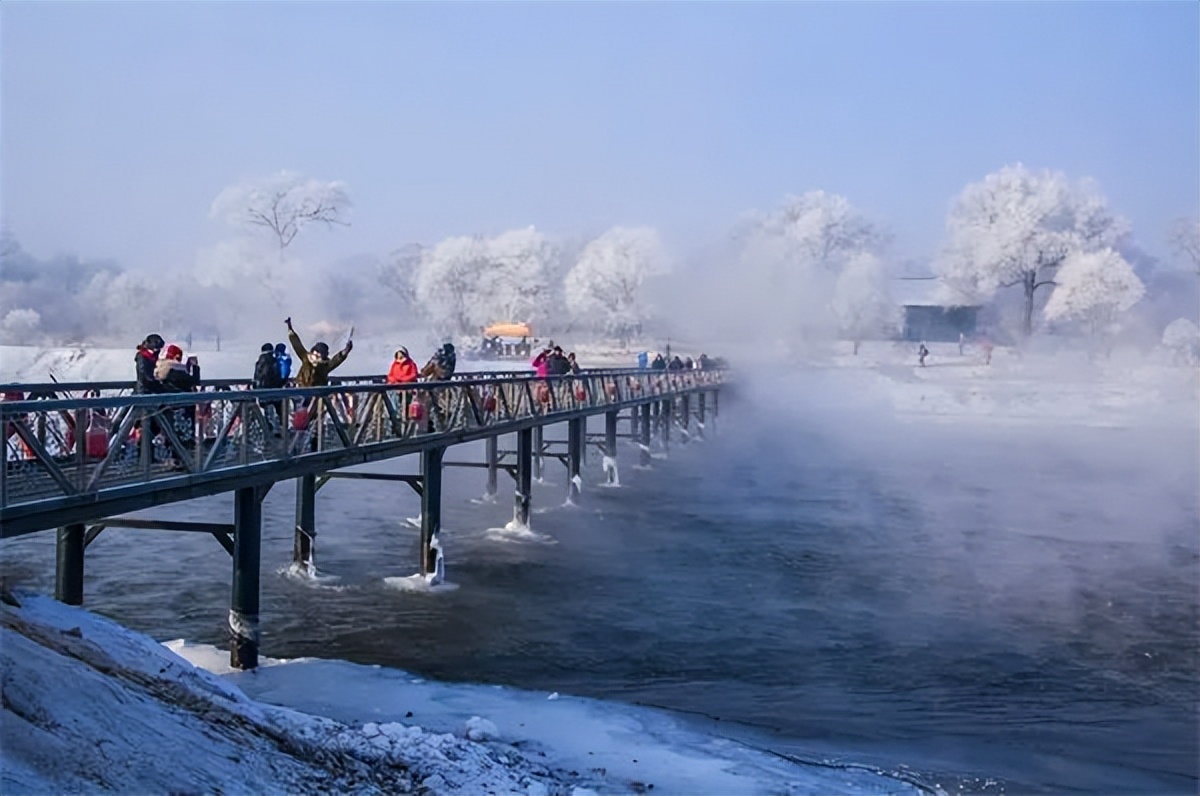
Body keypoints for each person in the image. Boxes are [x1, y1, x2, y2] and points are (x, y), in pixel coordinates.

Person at [286, 317, 352, 387]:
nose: (316, 355)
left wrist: (346, 351)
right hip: (302, 388)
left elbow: (337, 360)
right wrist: (290, 329)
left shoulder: (325, 366)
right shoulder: (306, 358)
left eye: (319, 354)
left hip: (318, 392)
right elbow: (297, 345)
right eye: (315, 352)